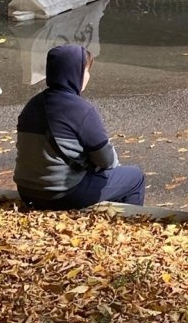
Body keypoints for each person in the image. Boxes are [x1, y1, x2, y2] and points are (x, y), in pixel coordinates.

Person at [14, 44, 146, 209]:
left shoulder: (32, 105)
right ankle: (128, 227)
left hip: (26, 191)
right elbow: (107, 161)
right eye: (86, 71)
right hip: (63, 194)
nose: (88, 76)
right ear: (74, 73)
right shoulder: (81, 110)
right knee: (135, 177)